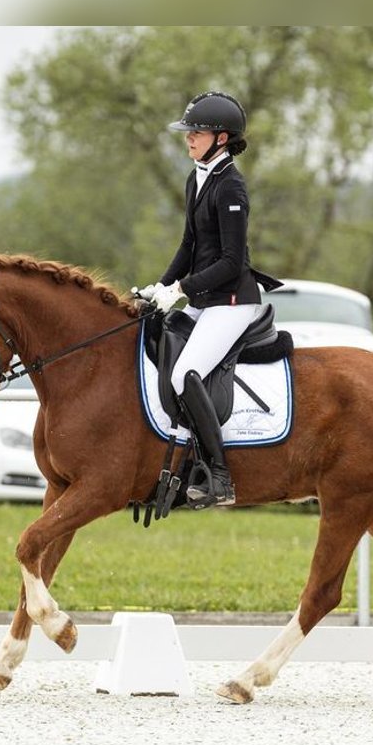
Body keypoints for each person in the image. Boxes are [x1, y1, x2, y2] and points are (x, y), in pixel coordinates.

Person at [138, 91, 277, 509]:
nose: (188, 139)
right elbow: (188, 245)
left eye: (196, 132)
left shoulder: (231, 185)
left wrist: (182, 291)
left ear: (221, 138)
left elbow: (233, 262)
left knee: (186, 373)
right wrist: (158, 288)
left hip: (232, 302)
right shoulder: (197, 177)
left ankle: (219, 475)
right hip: (206, 298)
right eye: (188, 132)